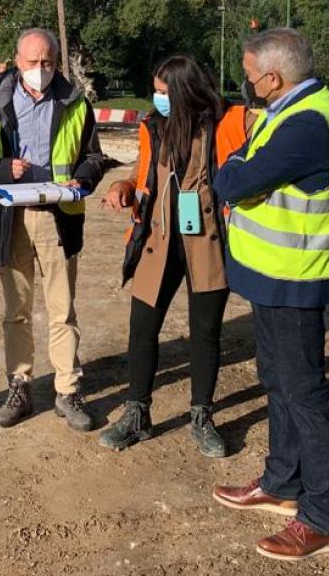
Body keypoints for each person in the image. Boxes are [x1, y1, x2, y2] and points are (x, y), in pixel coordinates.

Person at [210, 28, 329, 562]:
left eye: (249, 76)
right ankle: (281, 480)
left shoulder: (309, 122)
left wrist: (240, 174)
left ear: (273, 76)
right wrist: (241, 170)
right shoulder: (282, 110)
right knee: (277, 382)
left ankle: (318, 517)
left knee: (306, 395)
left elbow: (230, 181)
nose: (246, 84)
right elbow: (240, 164)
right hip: (268, 277)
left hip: (296, 280)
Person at [98, 54, 249, 458]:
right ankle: (137, 413)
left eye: (163, 93)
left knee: (206, 334)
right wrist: (122, 187)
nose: (156, 99)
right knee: (142, 328)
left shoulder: (231, 121)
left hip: (209, 242)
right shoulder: (152, 127)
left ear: (185, 92)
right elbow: (143, 173)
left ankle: (202, 415)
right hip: (158, 241)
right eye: (155, 91)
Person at [0, 28, 106, 432]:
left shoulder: (75, 103)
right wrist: (1, 170)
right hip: (9, 219)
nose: (39, 70)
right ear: (15, 61)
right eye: (31, 62)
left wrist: (84, 179)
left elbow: (94, 156)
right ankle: (19, 386)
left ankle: (68, 389)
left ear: (56, 62)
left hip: (58, 217)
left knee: (63, 310)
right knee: (16, 311)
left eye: (47, 63)